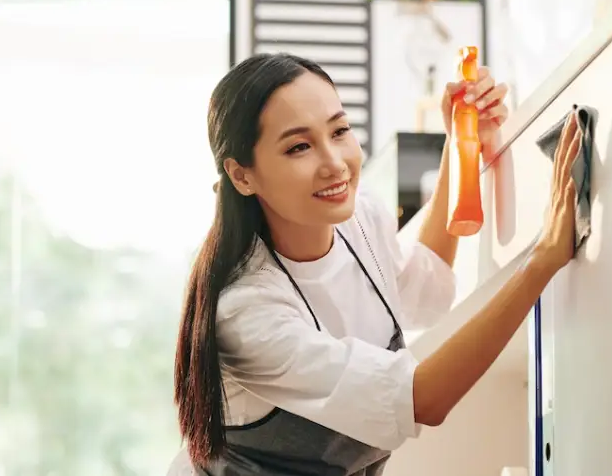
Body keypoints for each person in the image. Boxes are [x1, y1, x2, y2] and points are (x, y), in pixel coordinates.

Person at [170, 53, 580, 475]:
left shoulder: (360, 219)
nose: (334, 163)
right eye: (298, 146)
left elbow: (428, 284)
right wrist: (542, 258)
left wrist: (461, 138)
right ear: (242, 176)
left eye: (340, 130)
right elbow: (424, 400)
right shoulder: (247, 312)